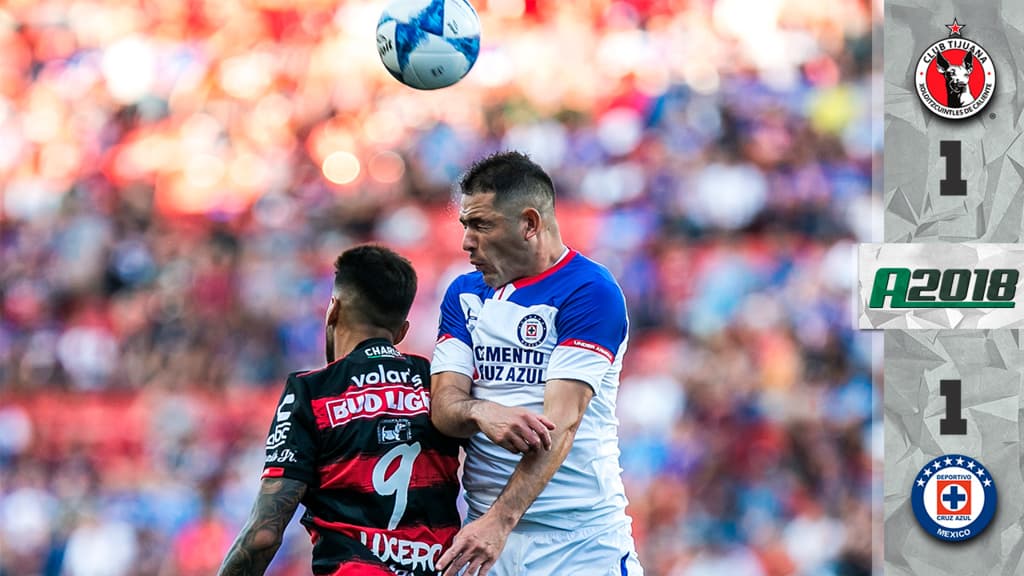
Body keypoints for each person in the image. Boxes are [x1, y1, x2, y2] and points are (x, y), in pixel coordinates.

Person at [430, 151, 644, 575]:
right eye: (465, 225)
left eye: (480, 225)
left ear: (529, 223)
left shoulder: (590, 291)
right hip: (488, 543)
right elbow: (444, 407)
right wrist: (481, 410)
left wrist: (500, 521)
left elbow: (561, 422)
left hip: (580, 543)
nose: (466, 242)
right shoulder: (463, 293)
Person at [218, 245, 462, 576]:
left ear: (333, 310)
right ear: (402, 332)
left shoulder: (311, 392)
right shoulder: (438, 383)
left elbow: (263, 535)